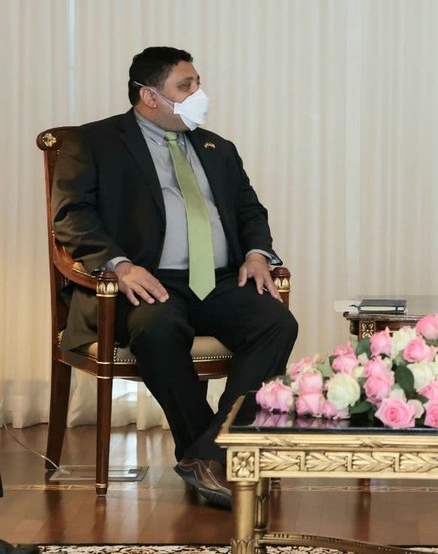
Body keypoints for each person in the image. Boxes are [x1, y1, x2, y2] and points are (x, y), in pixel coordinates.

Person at [51, 46, 298, 508]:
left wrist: (257, 254)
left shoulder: (217, 148)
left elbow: (250, 210)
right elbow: (71, 217)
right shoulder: (94, 143)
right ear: (150, 95)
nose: (199, 94)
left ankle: (207, 454)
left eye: (197, 83)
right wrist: (120, 265)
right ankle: (213, 455)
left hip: (219, 280)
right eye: (186, 86)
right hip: (148, 282)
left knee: (276, 323)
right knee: (157, 330)